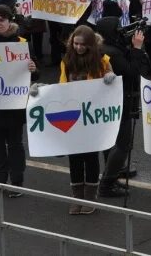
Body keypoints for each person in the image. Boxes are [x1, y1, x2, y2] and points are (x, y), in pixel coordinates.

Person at [51, 25, 116, 214]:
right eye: (76, 43)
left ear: (90, 45)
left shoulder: (102, 60)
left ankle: (90, 197)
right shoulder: (67, 60)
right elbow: (61, 86)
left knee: (90, 157)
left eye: (83, 44)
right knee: (75, 158)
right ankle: (77, 197)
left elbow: (111, 82)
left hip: (92, 117)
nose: (79, 48)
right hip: (72, 116)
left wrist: (110, 76)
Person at [0, 5, 38, 198]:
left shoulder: (22, 43)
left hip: (13, 105)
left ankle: (17, 182)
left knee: (14, 144)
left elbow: (36, 74)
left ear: (10, 21)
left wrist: (33, 68)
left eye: (1, 20)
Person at [95, 14, 151, 198]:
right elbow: (133, 73)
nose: (122, 31)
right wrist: (137, 48)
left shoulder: (104, 48)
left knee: (110, 142)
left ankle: (111, 175)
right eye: (118, 28)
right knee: (123, 144)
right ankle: (107, 183)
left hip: (109, 101)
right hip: (121, 101)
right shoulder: (113, 53)